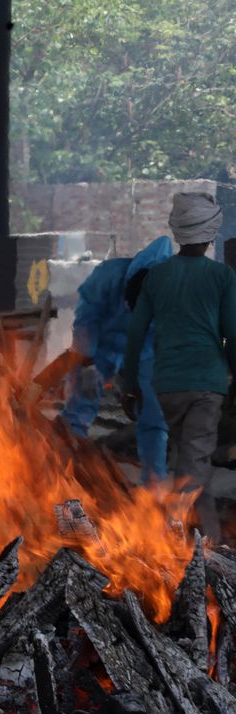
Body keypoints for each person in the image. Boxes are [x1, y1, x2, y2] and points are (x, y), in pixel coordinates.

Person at [124, 192, 234, 540]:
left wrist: (130, 384)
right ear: (210, 233)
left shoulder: (157, 277)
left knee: (186, 459)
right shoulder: (222, 276)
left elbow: (136, 333)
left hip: (167, 384)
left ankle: (209, 539)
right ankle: (174, 533)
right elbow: (233, 333)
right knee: (195, 463)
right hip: (206, 384)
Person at [61, 237, 172, 483]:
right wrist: (85, 358)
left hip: (142, 351)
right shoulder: (107, 276)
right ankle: (63, 465)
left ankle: (155, 484)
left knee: (155, 413)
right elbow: (86, 318)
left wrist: (138, 385)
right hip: (99, 346)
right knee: (82, 401)